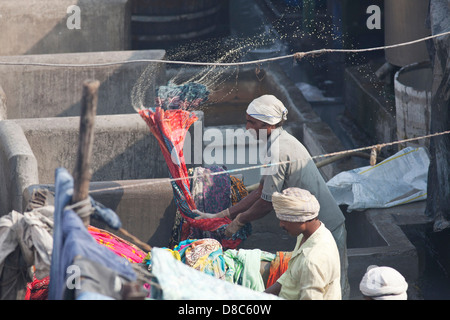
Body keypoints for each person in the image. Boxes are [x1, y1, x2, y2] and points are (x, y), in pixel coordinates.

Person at [193, 94, 349, 298]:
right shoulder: (275, 143)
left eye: (252, 122)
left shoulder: (277, 150)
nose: (247, 127)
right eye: (247, 120)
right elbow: (260, 191)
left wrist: (239, 220)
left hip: (326, 224)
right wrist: (223, 214)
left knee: (333, 288)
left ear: (267, 125)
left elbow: (267, 202)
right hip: (308, 226)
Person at [264, 187, 341, 300]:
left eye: (285, 219)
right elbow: (290, 276)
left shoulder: (312, 261)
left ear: (302, 219)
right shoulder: (310, 235)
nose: (281, 224)